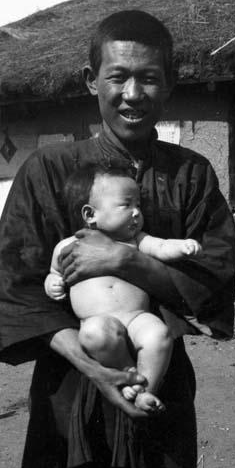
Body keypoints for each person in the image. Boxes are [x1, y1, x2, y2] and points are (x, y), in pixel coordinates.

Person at [0, 9, 235, 468]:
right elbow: (18, 288)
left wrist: (121, 257)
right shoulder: (49, 171)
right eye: (118, 76)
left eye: (149, 77)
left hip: (157, 382)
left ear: (169, 81)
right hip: (69, 388)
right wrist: (94, 370)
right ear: (90, 79)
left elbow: (214, 272)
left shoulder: (192, 175)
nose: (133, 93)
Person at [44, 163, 202, 413]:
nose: (137, 212)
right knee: (94, 334)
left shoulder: (136, 241)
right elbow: (55, 272)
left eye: (138, 205)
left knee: (159, 335)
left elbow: (161, 247)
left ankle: (146, 391)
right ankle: (128, 372)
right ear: (90, 214)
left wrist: (182, 247)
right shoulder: (69, 246)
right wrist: (52, 283)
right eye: (126, 205)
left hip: (137, 317)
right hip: (98, 320)